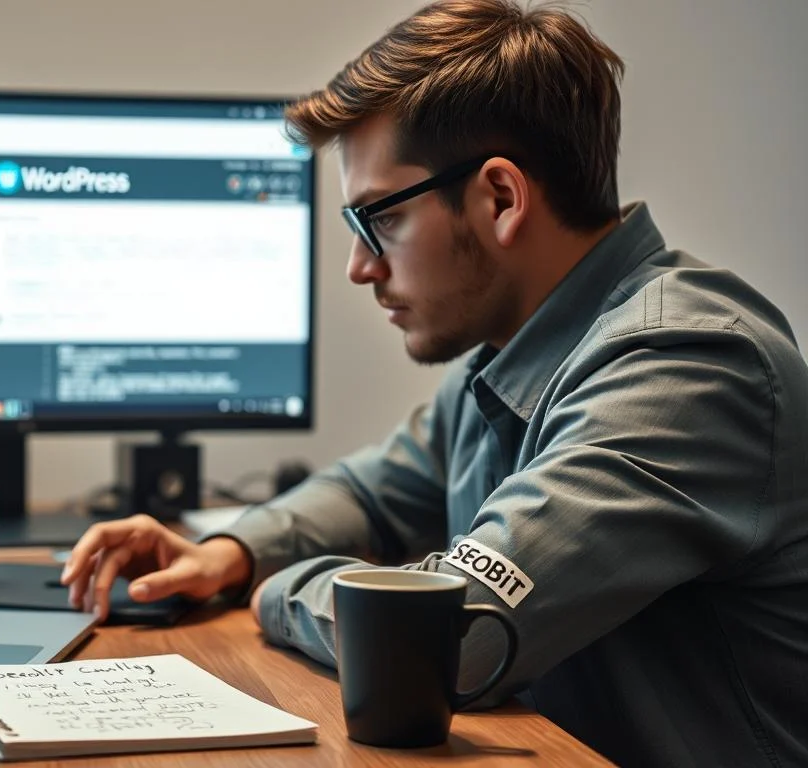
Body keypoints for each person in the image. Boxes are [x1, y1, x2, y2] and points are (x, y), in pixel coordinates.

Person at [60, 0, 808, 764]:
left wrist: (277, 592)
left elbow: (444, 642)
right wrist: (232, 549)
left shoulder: (690, 365)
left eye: (375, 220)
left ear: (500, 199)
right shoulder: (510, 354)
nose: (360, 268)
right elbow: (372, 491)